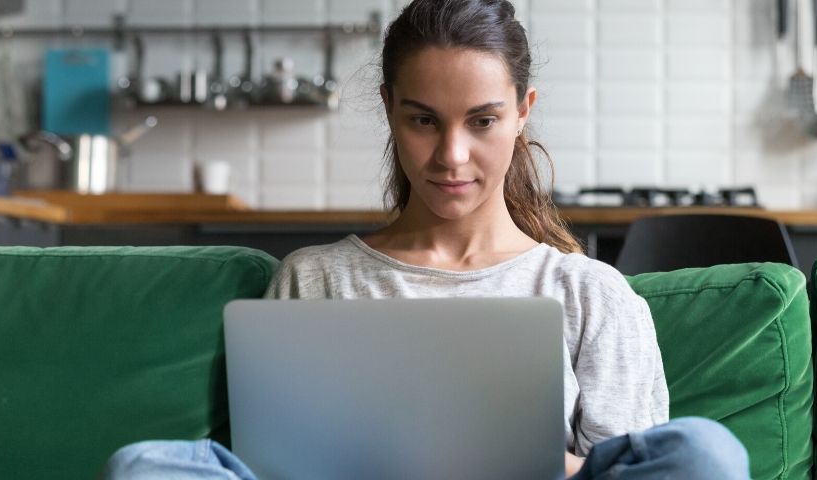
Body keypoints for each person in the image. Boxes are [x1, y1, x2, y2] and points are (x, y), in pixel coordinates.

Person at [104, 0, 749, 478]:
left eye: (482, 120)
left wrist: (533, 462)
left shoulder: (588, 293)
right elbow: (274, 462)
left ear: (522, 112)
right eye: (423, 120)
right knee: (143, 466)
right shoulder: (315, 279)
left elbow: (631, 468)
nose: (451, 155)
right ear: (389, 108)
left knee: (705, 455)